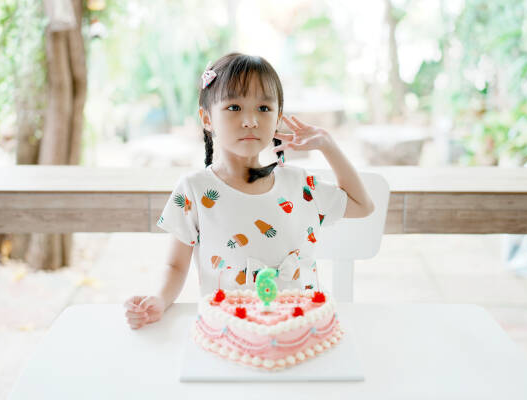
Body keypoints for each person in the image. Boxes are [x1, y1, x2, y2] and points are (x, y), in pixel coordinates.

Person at [124, 53, 375, 330]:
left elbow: (362, 206)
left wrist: (328, 145)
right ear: (207, 118)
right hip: (230, 332)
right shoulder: (195, 190)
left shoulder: (300, 185)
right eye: (234, 107)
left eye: (264, 109)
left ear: (278, 117)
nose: (250, 121)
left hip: (301, 330)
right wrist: (159, 300)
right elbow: (175, 266)